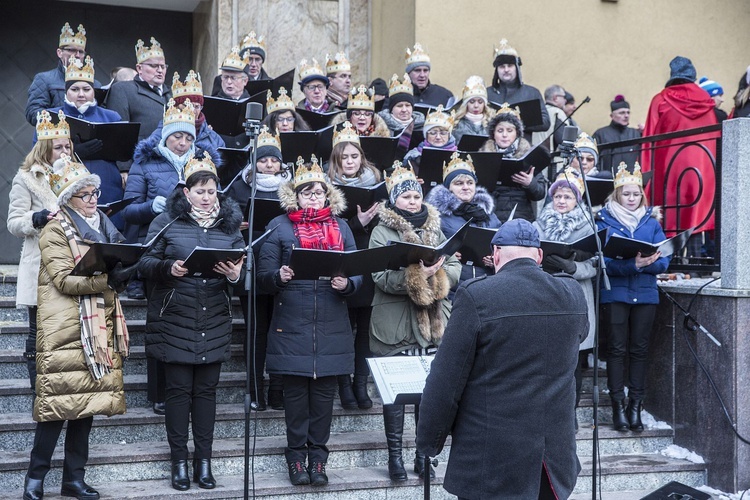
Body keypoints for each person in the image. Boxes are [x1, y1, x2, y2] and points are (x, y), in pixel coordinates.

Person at [415, 218, 588, 500]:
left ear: (495, 254)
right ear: (540, 255)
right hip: (552, 463)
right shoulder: (571, 293)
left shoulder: (478, 295)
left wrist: (428, 443)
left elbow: (446, 380)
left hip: (491, 461)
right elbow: (580, 335)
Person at [23, 155, 131, 500]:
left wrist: (123, 271)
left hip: (98, 324)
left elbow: (117, 261)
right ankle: (34, 479)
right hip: (66, 327)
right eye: (85, 195)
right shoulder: (55, 229)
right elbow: (65, 280)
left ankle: (74, 479)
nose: (93, 200)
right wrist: (106, 279)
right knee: (56, 407)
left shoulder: (103, 224)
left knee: (87, 406)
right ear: (68, 198)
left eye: (95, 194)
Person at [138, 152, 244, 491]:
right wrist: (167, 268)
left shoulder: (229, 224)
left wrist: (235, 275)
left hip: (213, 316)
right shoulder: (167, 221)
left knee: (207, 393)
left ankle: (204, 462)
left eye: (211, 191)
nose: (206, 196)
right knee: (179, 392)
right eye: (200, 191)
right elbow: (144, 261)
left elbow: (245, 267)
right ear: (185, 192)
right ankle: (179, 463)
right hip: (176, 316)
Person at [257, 156, 362, 487]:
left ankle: (318, 460)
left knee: (323, 402)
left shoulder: (342, 227)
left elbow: (358, 272)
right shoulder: (279, 226)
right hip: (292, 324)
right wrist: (280, 275)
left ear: (328, 196)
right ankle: (296, 459)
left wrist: (348, 284)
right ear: (295, 195)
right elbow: (262, 276)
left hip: (332, 325)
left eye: (319, 192)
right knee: (296, 400)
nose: (314, 197)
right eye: (307, 192)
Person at [368, 162, 461, 481]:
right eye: (405, 196)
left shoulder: (437, 227)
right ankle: (395, 458)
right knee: (394, 397)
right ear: (394, 200)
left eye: (416, 195)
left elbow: (455, 265)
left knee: (428, 395)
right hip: (395, 324)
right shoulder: (381, 230)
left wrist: (439, 275)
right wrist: (417, 276)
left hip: (434, 326)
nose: (412, 200)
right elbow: (379, 275)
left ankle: (424, 457)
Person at [596, 162, 669, 433]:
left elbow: (665, 259)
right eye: (626, 194)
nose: (631, 199)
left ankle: (635, 406)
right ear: (616, 195)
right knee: (616, 349)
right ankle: (618, 405)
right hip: (615, 293)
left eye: (636, 194)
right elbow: (600, 261)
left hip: (646, 294)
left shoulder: (651, 223)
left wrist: (648, 263)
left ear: (642, 196)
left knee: (639, 350)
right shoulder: (603, 220)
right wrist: (631, 265)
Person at [225, 126, 291, 411]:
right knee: (256, 330)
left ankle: (277, 389)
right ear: (254, 161)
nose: (268, 164)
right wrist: (234, 222)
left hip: (280, 263)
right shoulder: (239, 184)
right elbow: (222, 211)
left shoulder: (291, 186)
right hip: (250, 262)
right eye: (263, 159)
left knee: (281, 329)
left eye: (273, 160)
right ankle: (255, 390)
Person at [7, 110, 70, 397]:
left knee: (65, 330)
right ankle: (39, 389)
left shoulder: (76, 175)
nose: (65, 151)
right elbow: (14, 223)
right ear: (45, 148)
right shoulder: (26, 179)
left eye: (68, 146)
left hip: (71, 262)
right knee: (38, 330)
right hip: (40, 262)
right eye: (59, 147)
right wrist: (39, 217)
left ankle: (63, 384)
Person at [534, 170, 597, 426]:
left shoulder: (588, 226)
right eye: (558, 196)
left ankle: (569, 415)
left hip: (576, 295)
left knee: (574, 361)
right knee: (546, 360)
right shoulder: (538, 224)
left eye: (568, 196)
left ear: (577, 200)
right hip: (546, 295)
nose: (561, 201)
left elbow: (596, 263)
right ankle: (546, 413)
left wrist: (573, 268)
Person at [326, 122, 382, 411]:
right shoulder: (323, 188)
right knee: (343, 329)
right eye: (343, 158)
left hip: (369, 262)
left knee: (365, 332)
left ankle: (361, 384)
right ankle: (343, 385)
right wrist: (354, 223)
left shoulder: (375, 184)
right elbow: (324, 228)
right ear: (335, 162)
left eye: (354, 157)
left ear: (362, 158)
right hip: (342, 264)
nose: (349, 162)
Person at [641, 56, 718, 257]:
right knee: (695, 214)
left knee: (670, 215)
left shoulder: (660, 99)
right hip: (702, 168)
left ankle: (671, 262)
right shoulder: (707, 102)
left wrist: (646, 177)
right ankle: (695, 264)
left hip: (669, 169)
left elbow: (648, 138)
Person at [45, 56, 126, 230]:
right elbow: (39, 154)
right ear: (66, 92)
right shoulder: (50, 117)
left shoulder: (111, 117)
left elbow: (125, 149)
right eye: (75, 89)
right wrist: (74, 152)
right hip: (67, 190)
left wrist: (125, 169)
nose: (81, 94)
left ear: (93, 91)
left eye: (86, 89)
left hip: (107, 188)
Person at [425, 152, 500, 288]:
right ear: (449, 188)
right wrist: (446, 255)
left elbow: (501, 245)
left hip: (488, 282)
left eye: (470, 182)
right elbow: (427, 249)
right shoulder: (437, 215)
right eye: (459, 183)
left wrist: (496, 258)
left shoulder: (488, 215)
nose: (466, 187)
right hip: (454, 283)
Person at [480, 103, 546, 222]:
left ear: (517, 133)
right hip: (489, 215)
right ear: (493, 134)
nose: (504, 135)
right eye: (500, 130)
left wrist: (530, 183)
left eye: (509, 130)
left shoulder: (529, 156)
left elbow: (540, 194)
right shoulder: (483, 155)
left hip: (520, 216)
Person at [26, 22, 101, 126]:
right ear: (59, 53)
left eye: (81, 51)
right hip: (57, 137)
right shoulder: (44, 79)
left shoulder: (95, 84)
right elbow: (33, 112)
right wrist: (63, 122)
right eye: (72, 50)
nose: (77, 55)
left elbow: (101, 113)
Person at [106, 37, 172, 146]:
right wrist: (127, 163)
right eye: (153, 66)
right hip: (140, 159)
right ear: (139, 68)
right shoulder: (123, 90)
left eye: (163, 66)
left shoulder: (173, 93)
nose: (160, 70)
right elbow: (118, 133)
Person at [486, 39, 550, 141]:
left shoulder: (531, 93)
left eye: (510, 66)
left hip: (522, 150)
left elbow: (545, 122)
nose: (506, 70)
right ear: (497, 70)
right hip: (492, 150)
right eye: (502, 66)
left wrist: (517, 120)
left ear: (516, 68)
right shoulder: (487, 94)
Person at [213, 47, 251, 149]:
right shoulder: (212, 104)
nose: (229, 82)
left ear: (245, 81)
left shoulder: (254, 104)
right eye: (225, 77)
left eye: (233, 78)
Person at [209, 31, 270, 95]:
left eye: (257, 59)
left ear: (262, 61)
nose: (253, 64)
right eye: (249, 59)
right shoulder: (221, 80)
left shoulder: (271, 83)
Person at [592, 95, 642, 172]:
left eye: (628, 113)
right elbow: (593, 158)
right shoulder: (601, 134)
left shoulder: (635, 133)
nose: (626, 116)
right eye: (622, 113)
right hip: (607, 179)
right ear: (612, 116)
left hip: (631, 180)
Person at [403, 105, 457, 174]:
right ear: (426, 135)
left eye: (443, 133)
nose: (438, 137)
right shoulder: (412, 158)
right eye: (433, 133)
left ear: (449, 135)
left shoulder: (458, 157)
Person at [404, 43, 454, 107]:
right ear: (409, 73)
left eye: (425, 70)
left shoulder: (444, 95)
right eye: (417, 70)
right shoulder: (400, 94)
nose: (422, 75)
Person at [452, 76, 494, 146]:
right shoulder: (456, 124)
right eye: (472, 101)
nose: (476, 105)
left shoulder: (491, 123)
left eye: (480, 102)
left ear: (484, 104)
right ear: (466, 104)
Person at [531, 84, 570, 151]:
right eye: (563, 97)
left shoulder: (536, 112)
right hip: (551, 157)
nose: (565, 100)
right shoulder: (558, 112)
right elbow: (561, 139)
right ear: (555, 98)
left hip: (531, 154)